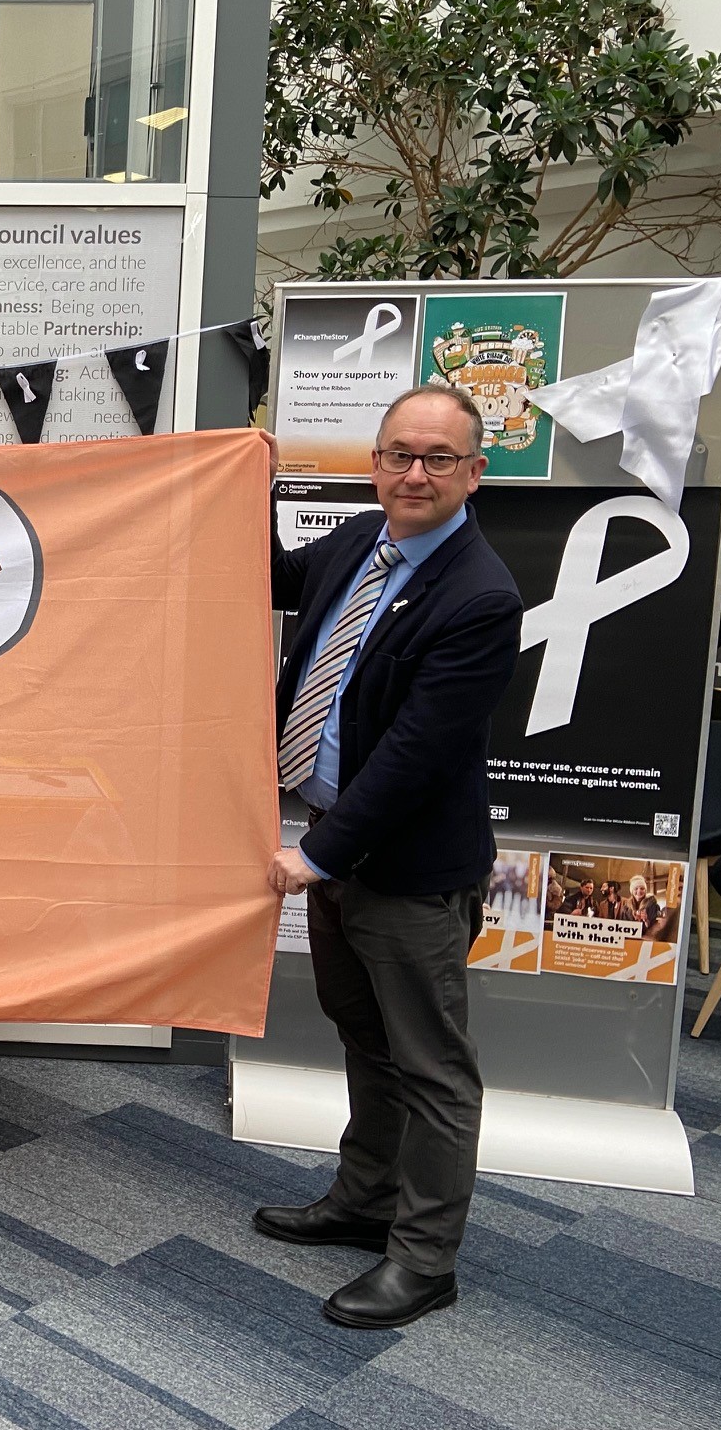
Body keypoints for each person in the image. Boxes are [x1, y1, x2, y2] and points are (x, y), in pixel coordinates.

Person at [254, 384, 523, 1329]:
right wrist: (217, 484)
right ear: (373, 462)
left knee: (433, 1069)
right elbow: (270, 579)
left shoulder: (481, 596)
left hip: (402, 870)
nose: (415, 473)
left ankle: (425, 1260)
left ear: (473, 472)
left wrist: (317, 855)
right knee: (364, 1040)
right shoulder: (356, 544)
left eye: (438, 458)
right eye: (399, 454)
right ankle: (364, 1200)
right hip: (340, 858)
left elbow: (417, 753)